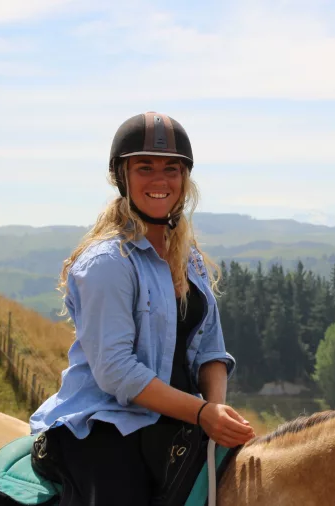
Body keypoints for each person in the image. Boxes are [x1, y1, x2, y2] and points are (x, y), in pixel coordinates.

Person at [28, 111, 255, 506]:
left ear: (184, 179)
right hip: (106, 423)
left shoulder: (190, 258)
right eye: (144, 167)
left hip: (185, 417)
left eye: (171, 168)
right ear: (122, 177)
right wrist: (202, 414)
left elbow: (211, 351)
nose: (159, 180)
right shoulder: (107, 262)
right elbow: (116, 371)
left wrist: (215, 411)